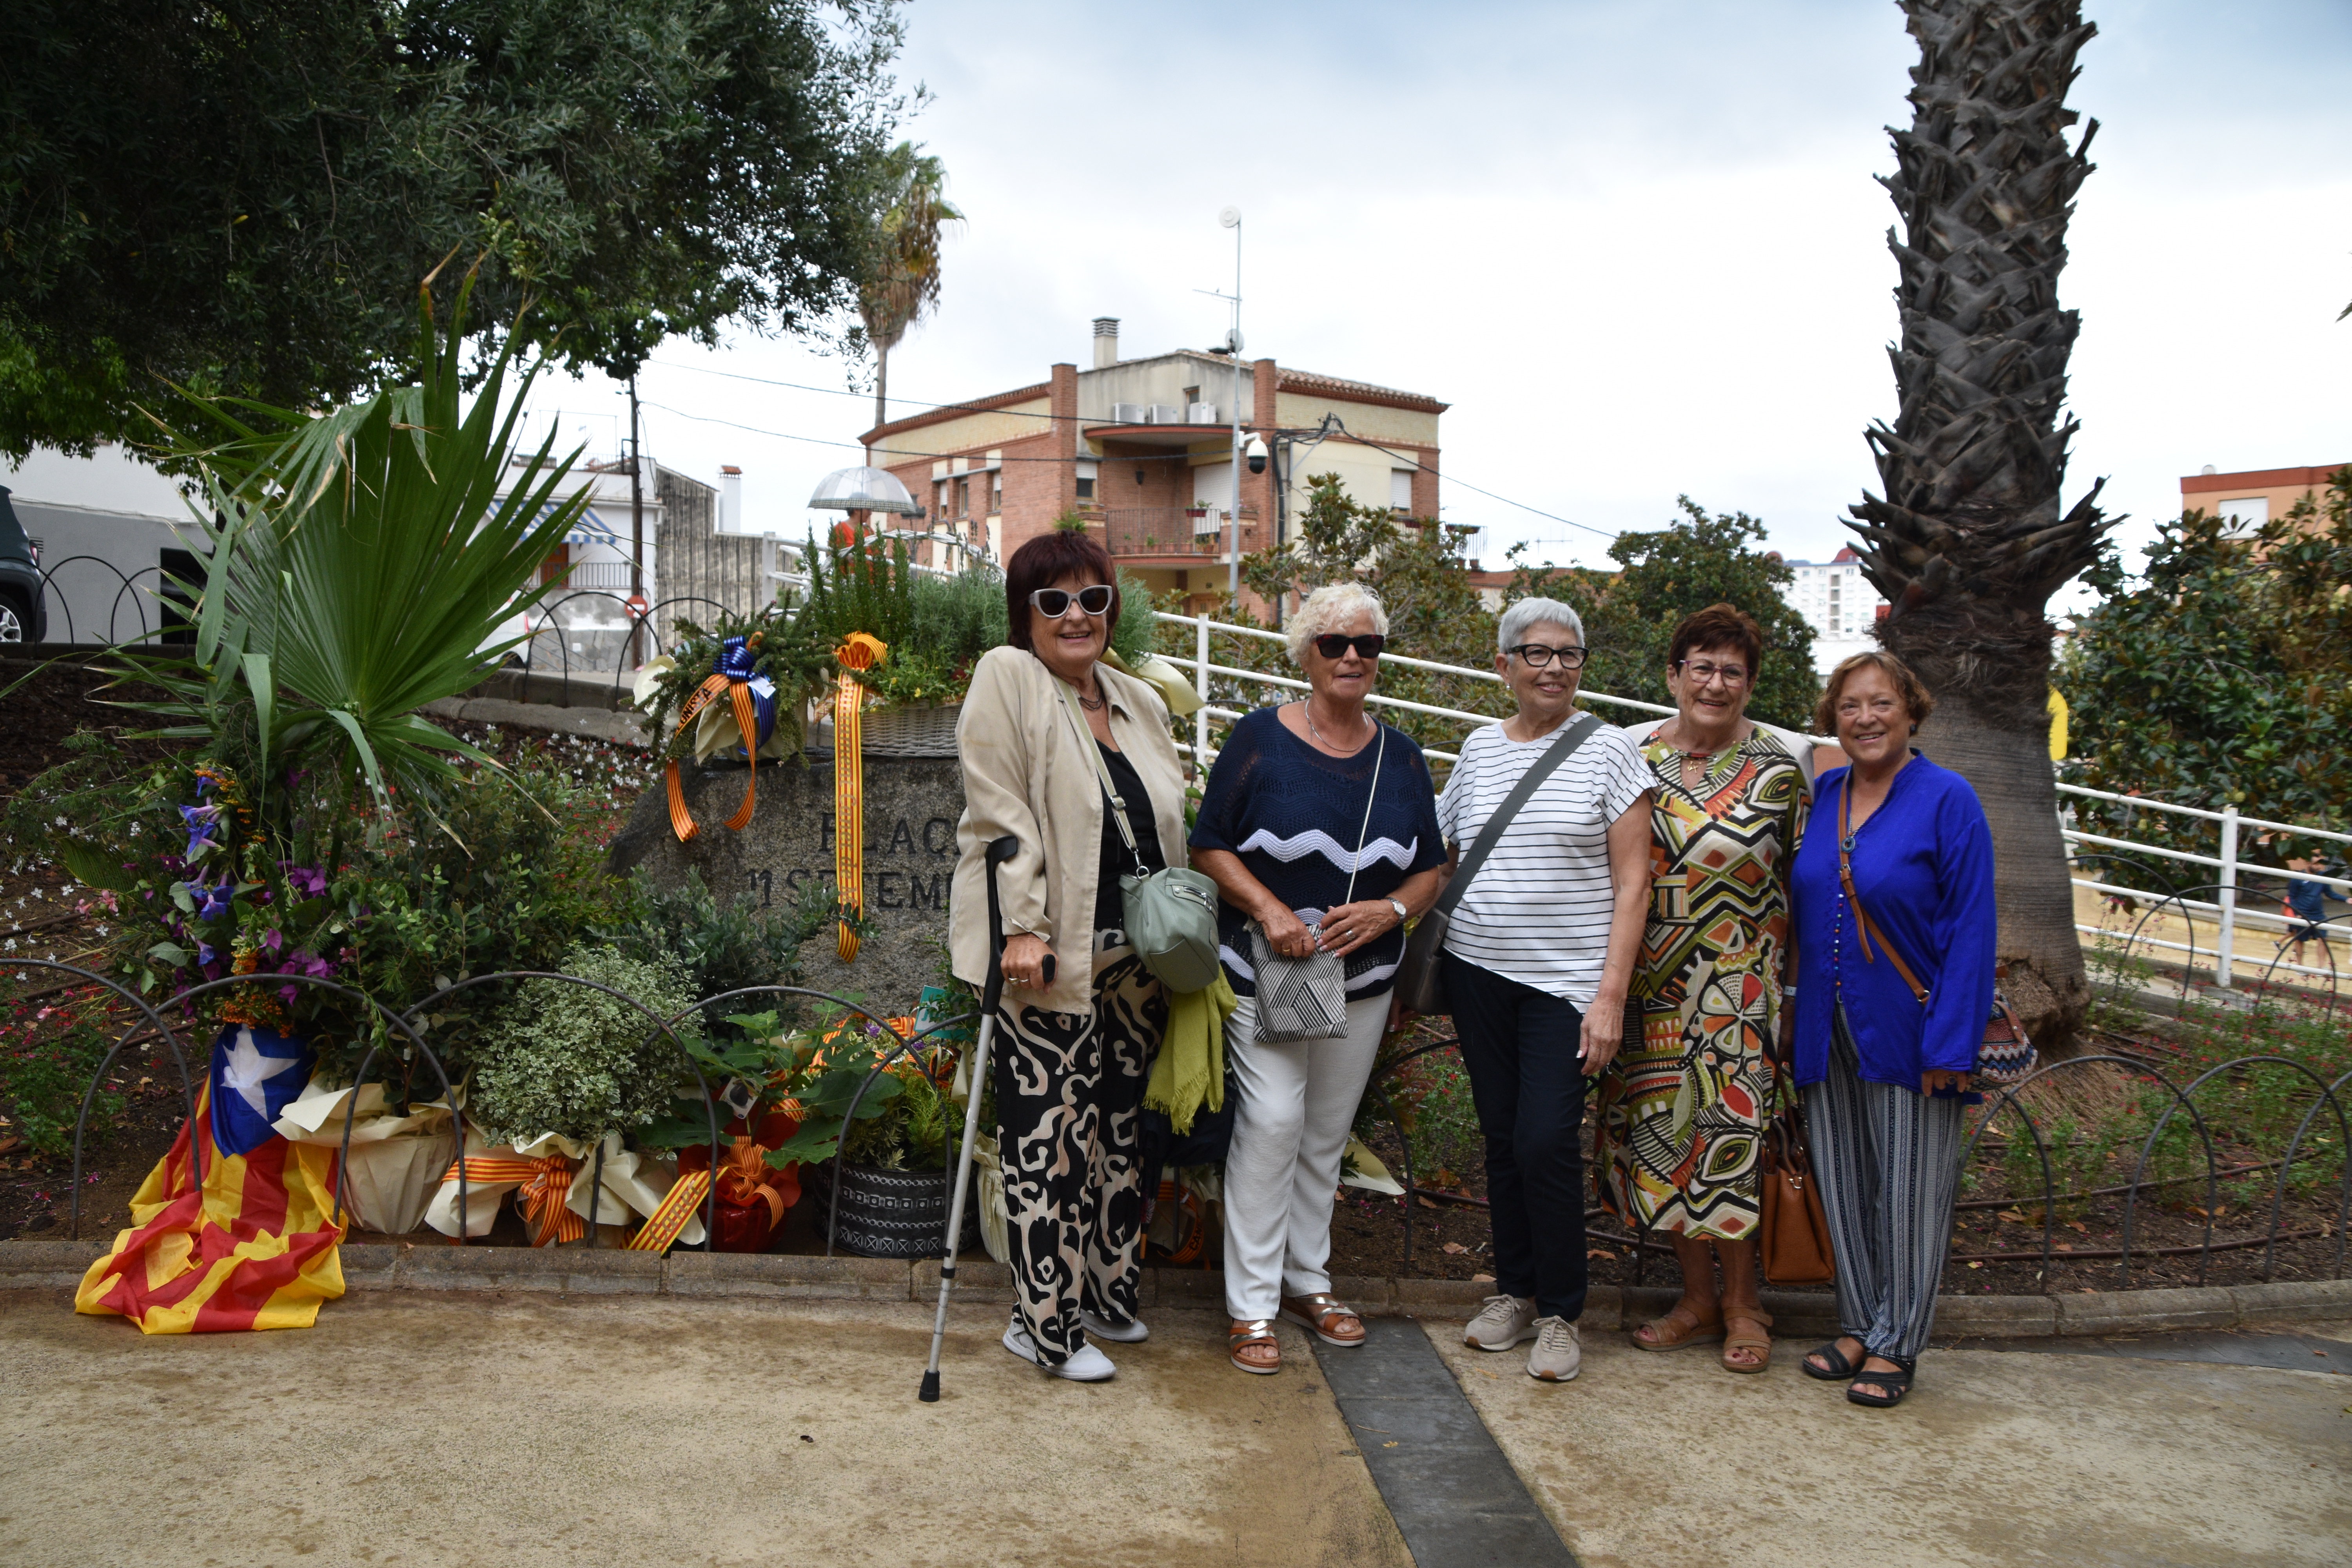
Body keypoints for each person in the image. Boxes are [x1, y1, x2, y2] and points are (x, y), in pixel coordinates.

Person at [1191, 582, 1447, 1376]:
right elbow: (1208, 844)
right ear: (1306, 653)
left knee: (1325, 1134)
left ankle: (1310, 1280)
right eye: (1335, 643)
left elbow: (1433, 866)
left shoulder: (1400, 754)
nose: (1351, 657)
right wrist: (1268, 908)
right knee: (1271, 1121)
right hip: (1267, 965)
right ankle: (1252, 1304)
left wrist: (1391, 912)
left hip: (1362, 974)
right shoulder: (1260, 739)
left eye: (1366, 645)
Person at [950, 531, 1188, 1382]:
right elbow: (1000, 811)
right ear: (1026, 614)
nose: (1077, 614)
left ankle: (1106, 1293)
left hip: (1137, 957)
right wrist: (1024, 927)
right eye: (1054, 600)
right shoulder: (1008, 678)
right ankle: (1042, 1325)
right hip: (1048, 954)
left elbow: (1166, 821)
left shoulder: (1136, 699)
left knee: (1122, 1132)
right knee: (1048, 1137)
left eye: (1093, 597)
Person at [1437, 597, 1655, 1383]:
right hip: (1476, 972)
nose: (1556, 666)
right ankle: (1516, 1291)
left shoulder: (1609, 752)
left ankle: (1563, 1310)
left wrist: (1611, 996)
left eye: (1570, 653)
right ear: (1504, 665)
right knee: (1502, 1139)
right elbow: (1447, 849)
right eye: (1537, 653)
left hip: (1564, 986)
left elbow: (1635, 882)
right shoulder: (1478, 748)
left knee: (1544, 1140)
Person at [1596, 603, 1808, 1374]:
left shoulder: (1781, 770)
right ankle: (1696, 1298)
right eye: (1702, 666)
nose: (1715, 683)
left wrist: (1791, 988)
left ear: (1750, 683)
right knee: (1669, 1142)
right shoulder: (1629, 758)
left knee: (1734, 1138)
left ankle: (1745, 1301)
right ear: (1674, 674)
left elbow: (1804, 880)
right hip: (1648, 982)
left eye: (1733, 670)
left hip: (1740, 987)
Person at [1789, 650, 1995, 1409]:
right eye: (1850, 707)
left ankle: (1898, 1342)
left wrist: (1951, 1045)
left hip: (1911, 1028)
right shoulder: (1829, 791)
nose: (1866, 719)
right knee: (1844, 1182)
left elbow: (1971, 931)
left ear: (1911, 710)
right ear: (1831, 719)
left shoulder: (1949, 799)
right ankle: (1859, 1323)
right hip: (1824, 1022)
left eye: (1881, 705)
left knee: (1910, 1190)